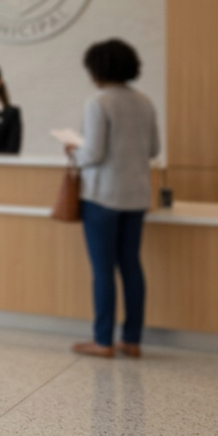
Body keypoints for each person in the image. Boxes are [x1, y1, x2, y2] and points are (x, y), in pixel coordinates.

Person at [65, 39, 159, 359]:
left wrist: (73, 152)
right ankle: (131, 339)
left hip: (102, 197)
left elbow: (93, 153)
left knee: (103, 270)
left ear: (97, 69)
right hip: (136, 196)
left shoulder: (98, 102)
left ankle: (103, 341)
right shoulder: (144, 101)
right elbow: (154, 150)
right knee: (131, 266)